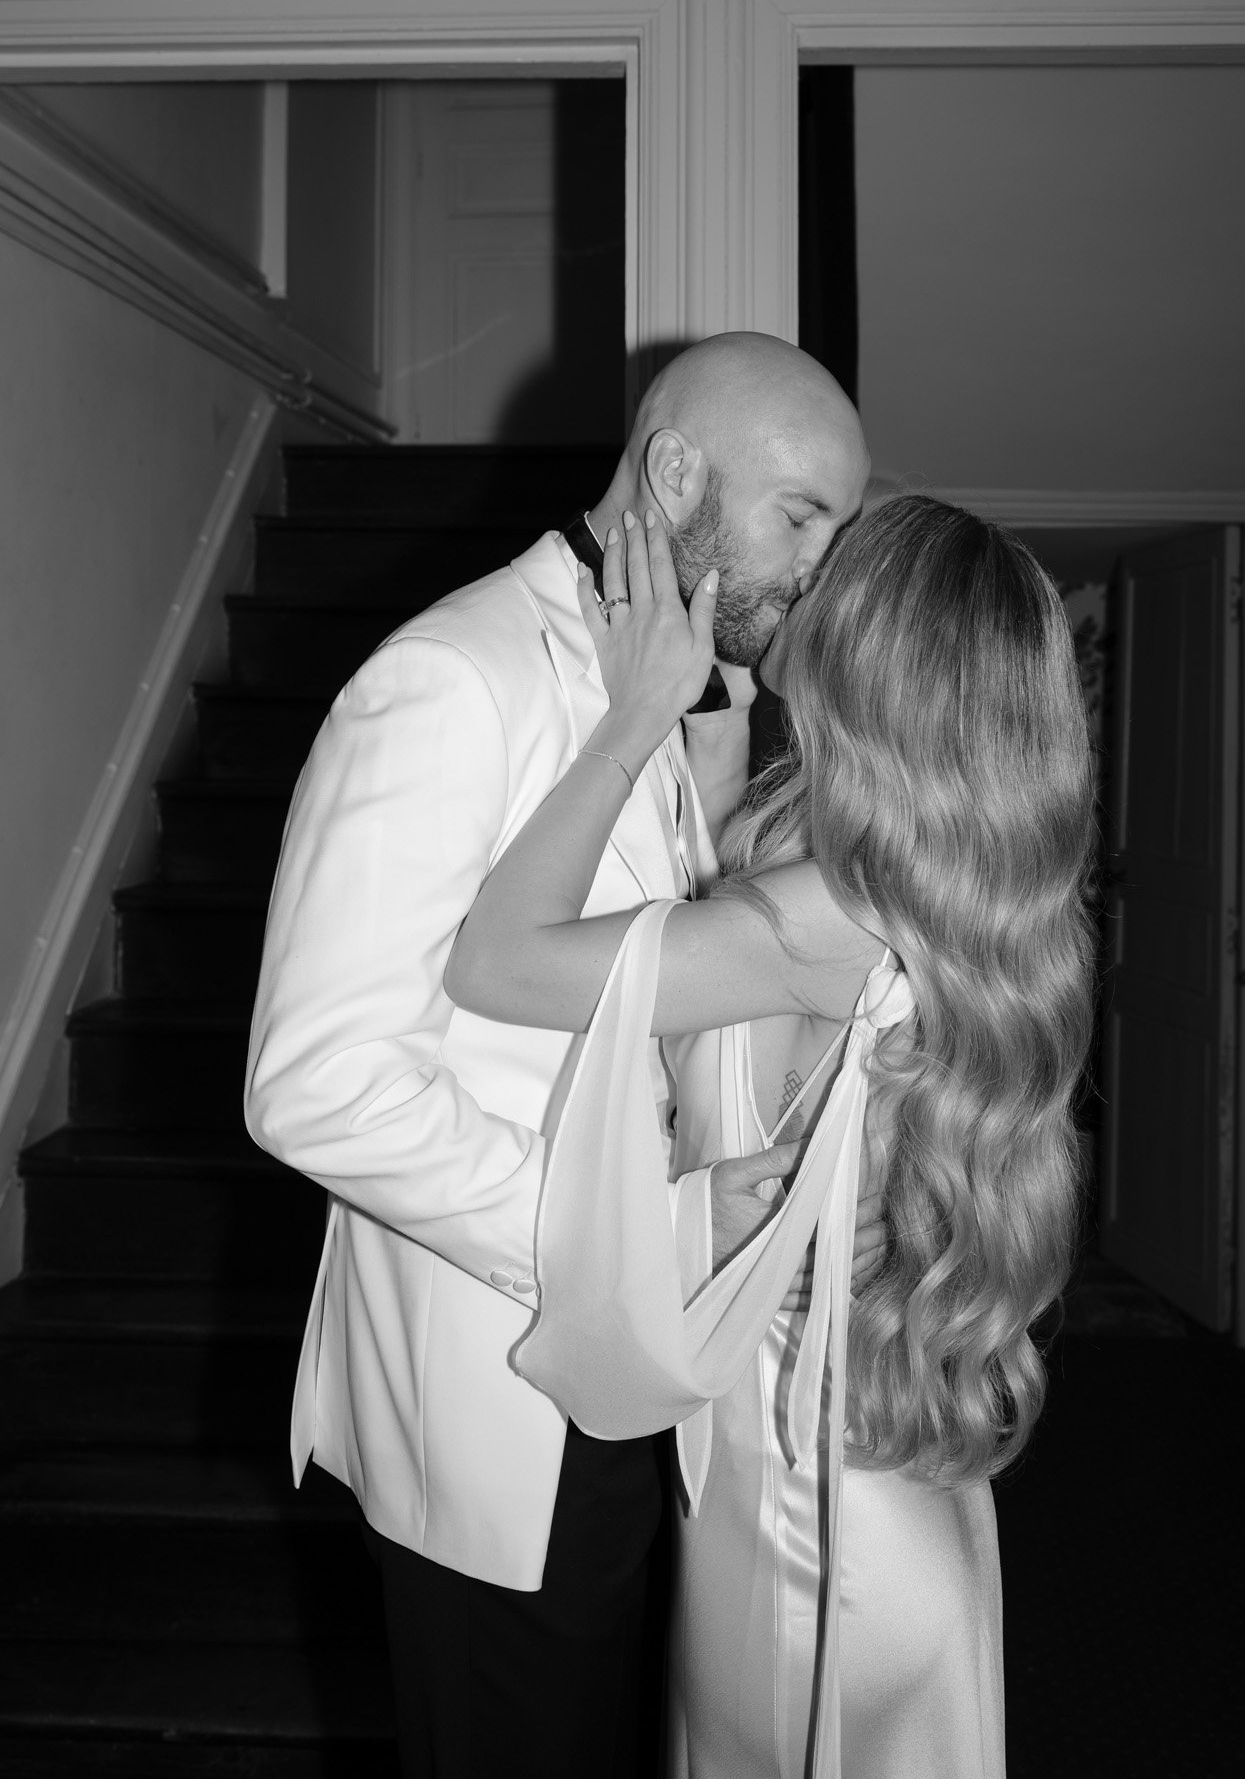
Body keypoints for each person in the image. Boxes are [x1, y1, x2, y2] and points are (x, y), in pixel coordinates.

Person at [243, 333, 880, 1778]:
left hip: (630, 1375)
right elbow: (315, 1083)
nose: (822, 568)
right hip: (499, 1397)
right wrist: (633, 1234)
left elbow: (642, 994)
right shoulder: (450, 677)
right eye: (802, 516)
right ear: (675, 473)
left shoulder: (664, 679)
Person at [445, 498, 1096, 1777]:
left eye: (828, 570)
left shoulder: (814, 918)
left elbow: (497, 960)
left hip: (812, 1539)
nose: (800, 578)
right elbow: (734, 945)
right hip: (884, 1499)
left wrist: (630, 721)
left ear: (868, 658)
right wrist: (721, 725)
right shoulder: (947, 894)